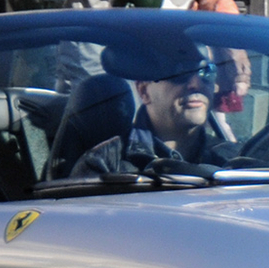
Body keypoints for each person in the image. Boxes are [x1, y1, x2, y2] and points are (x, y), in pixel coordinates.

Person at [74, 41, 242, 176]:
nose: (196, 85)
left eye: (207, 71)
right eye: (179, 73)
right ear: (144, 91)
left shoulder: (233, 161)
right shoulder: (104, 165)